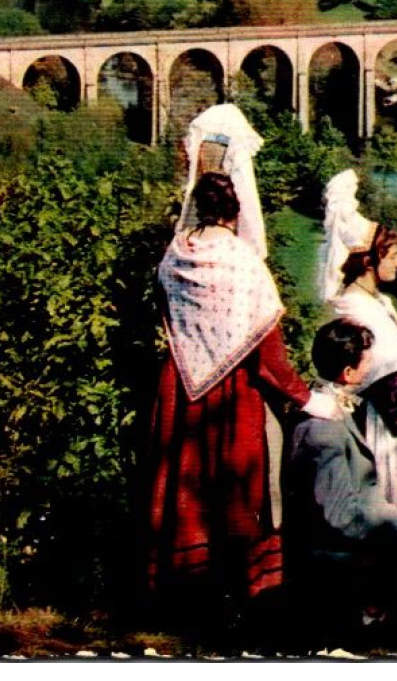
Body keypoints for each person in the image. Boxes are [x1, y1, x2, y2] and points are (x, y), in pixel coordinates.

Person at [144, 105, 339, 621]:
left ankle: (183, 593)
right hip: (232, 397)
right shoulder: (243, 264)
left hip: (180, 389)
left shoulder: (173, 256)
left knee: (186, 491)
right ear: (236, 211)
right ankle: (239, 596)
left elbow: (168, 319)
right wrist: (308, 399)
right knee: (235, 489)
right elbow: (268, 356)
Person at [284, 319, 397, 632]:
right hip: (330, 570)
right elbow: (341, 516)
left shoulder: (328, 407)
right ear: (348, 374)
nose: (371, 370)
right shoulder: (323, 431)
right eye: (367, 363)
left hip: (343, 549)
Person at [319, 170, 397, 513]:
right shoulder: (356, 310)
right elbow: (386, 377)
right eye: (392, 256)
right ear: (369, 261)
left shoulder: (376, 302)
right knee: (380, 508)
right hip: (374, 428)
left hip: (389, 425)